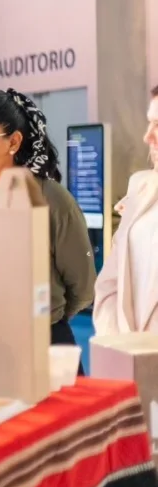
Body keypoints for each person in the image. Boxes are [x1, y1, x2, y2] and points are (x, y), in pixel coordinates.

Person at [0, 88, 95, 365]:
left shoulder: (51, 199)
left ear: (13, 142)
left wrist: (47, 315)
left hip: (37, 343)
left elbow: (82, 288)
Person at [94, 86, 158, 334]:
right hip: (127, 352)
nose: (148, 136)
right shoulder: (140, 187)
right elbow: (110, 285)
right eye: (150, 122)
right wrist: (118, 344)